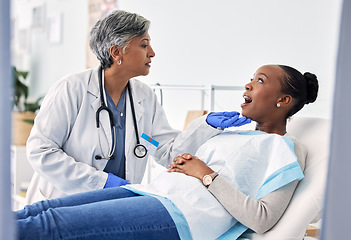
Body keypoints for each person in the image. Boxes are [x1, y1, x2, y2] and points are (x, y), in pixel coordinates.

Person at [16, 64, 319, 240]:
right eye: (252, 78)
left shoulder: (287, 148)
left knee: (48, 227)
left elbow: (263, 218)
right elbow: (172, 153)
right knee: (41, 212)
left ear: (283, 99)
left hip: (181, 215)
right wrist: (186, 163)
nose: (248, 84)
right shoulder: (232, 134)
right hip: (153, 192)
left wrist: (205, 174)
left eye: (260, 81)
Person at [25, 10, 250, 204]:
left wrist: (205, 125)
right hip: (62, 203)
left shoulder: (144, 97)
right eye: (144, 45)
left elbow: (166, 152)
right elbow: (40, 150)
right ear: (116, 52)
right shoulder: (72, 89)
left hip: (115, 204)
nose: (152, 53)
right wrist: (101, 183)